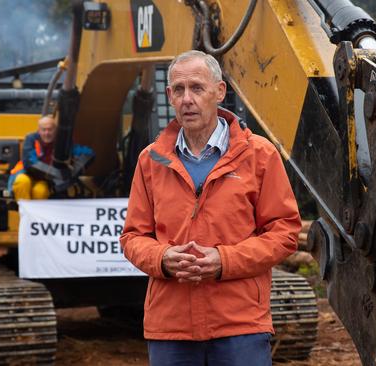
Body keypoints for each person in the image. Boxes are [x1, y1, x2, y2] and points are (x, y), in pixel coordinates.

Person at [120, 50, 301, 366]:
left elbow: (284, 233)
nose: (187, 99)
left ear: (219, 92)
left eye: (197, 88)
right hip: (170, 328)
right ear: (169, 96)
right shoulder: (151, 161)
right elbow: (133, 237)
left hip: (239, 325)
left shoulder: (259, 155)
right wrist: (163, 258)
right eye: (178, 89)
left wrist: (224, 260)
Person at [8, 114, 92, 200]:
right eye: (44, 130)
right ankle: (24, 212)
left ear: (56, 130)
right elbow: (29, 163)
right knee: (22, 183)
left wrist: (72, 172)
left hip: (44, 180)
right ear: (38, 130)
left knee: (40, 192)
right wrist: (58, 174)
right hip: (26, 173)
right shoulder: (31, 139)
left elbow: (88, 153)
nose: (47, 133)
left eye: (50, 129)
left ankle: (35, 214)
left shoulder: (62, 142)